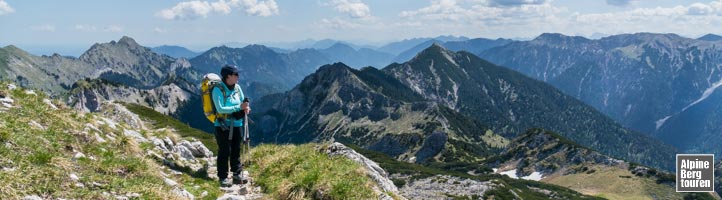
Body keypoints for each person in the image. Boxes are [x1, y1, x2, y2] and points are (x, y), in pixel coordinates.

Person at [212, 65, 251, 187]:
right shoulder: (218, 89)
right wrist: (238, 107)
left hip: (238, 123)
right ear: (228, 76)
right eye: (236, 75)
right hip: (223, 124)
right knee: (224, 150)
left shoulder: (237, 88)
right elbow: (220, 108)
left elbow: (242, 102)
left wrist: (246, 108)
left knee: (236, 149)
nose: (238, 77)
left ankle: (236, 174)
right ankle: (223, 177)